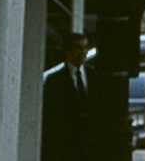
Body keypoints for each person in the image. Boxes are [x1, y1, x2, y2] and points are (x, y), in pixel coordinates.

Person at [42, 33, 110, 161]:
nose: (83, 52)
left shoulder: (94, 77)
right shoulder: (55, 81)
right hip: (66, 146)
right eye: (78, 48)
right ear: (68, 50)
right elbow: (51, 117)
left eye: (85, 48)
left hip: (90, 146)